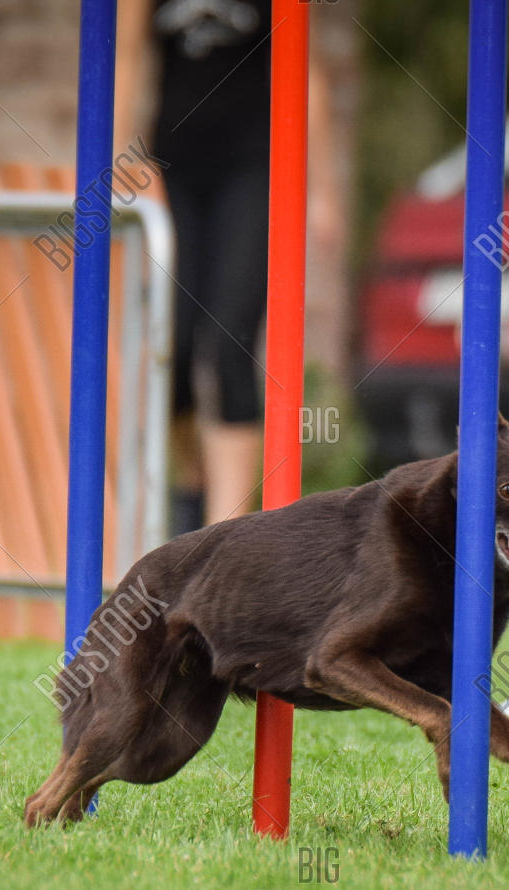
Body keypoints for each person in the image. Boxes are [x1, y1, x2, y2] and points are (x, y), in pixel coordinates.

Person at [113, 0, 337, 532]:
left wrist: (322, 188)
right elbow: (124, 57)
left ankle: (226, 532)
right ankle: (193, 492)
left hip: (255, 169)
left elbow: (308, 73)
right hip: (173, 170)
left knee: (228, 343)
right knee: (178, 349)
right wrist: (115, 160)